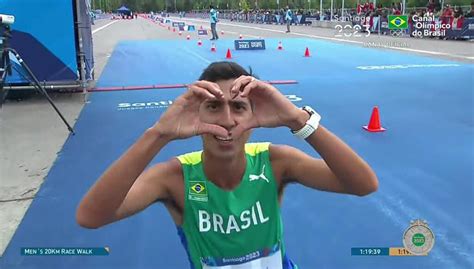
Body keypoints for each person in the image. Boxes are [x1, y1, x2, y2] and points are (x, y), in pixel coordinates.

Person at [76, 62, 378, 268]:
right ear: (197, 113)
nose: (227, 120)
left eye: (238, 107)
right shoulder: (174, 179)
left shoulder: (275, 162)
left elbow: (363, 185)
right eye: (213, 107)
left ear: (255, 116)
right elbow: (91, 216)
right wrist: (158, 134)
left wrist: (298, 120)